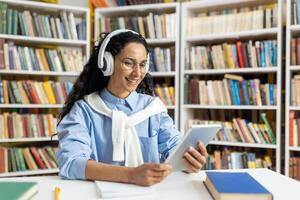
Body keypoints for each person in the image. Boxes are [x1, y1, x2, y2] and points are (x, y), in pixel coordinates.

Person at [56, 29, 208, 186]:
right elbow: (71, 163)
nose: (137, 73)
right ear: (107, 63)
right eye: (128, 63)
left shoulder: (153, 108)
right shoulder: (83, 110)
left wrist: (189, 161)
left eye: (142, 65)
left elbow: (174, 149)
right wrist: (131, 175)